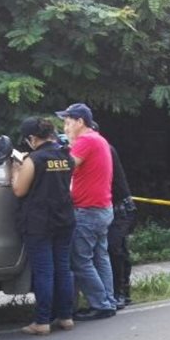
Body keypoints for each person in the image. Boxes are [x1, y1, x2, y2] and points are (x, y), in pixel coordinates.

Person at [11, 117, 76, 335]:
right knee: (63, 269)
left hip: (39, 222)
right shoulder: (66, 156)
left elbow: (19, 190)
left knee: (44, 272)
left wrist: (16, 170)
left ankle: (42, 321)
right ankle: (66, 317)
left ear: (32, 138)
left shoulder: (34, 160)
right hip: (64, 219)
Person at [56, 103, 118, 321]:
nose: (65, 128)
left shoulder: (85, 141)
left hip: (88, 210)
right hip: (102, 208)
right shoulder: (99, 139)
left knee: (80, 260)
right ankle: (108, 300)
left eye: (68, 123)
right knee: (100, 258)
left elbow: (67, 167)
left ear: (80, 122)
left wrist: (54, 153)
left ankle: (101, 304)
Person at [106, 139, 136, 308]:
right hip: (111, 207)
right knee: (116, 249)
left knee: (115, 248)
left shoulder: (104, 149)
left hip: (120, 208)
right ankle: (119, 291)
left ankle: (121, 292)